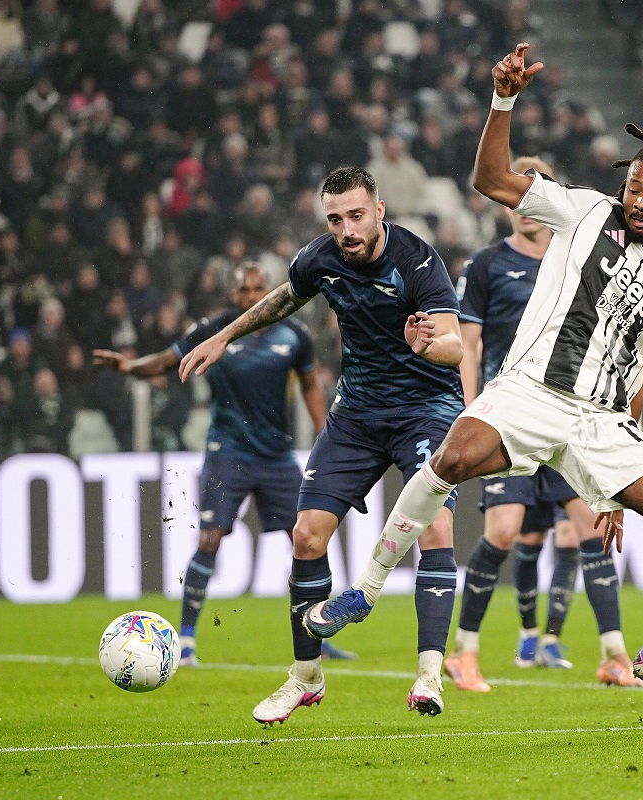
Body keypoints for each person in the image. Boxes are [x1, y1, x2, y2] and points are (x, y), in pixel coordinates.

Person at [293, 43, 643, 725]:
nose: (641, 199)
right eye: (636, 186)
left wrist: (619, 477)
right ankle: (365, 590)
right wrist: (504, 100)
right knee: (451, 460)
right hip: (529, 392)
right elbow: (491, 177)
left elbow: (637, 367)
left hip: (602, 423)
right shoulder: (584, 211)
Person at [178, 167, 465, 722]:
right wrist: (224, 335)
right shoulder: (320, 257)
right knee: (307, 536)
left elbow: (454, 345)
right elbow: (286, 298)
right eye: (335, 219)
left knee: (438, 525)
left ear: (380, 210)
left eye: (357, 216)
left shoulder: (418, 260)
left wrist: (427, 346)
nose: (347, 229)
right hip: (356, 414)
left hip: (424, 410)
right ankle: (305, 677)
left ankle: (429, 675)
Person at [442, 155, 641, 693]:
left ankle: (614, 655)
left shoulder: (585, 258)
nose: (525, 206)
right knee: (503, 531)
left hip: (574, 418)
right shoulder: (485, 265)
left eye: (537, 189)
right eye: (518, 193)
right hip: (512, 416)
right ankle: (464, 652)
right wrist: (470, 407)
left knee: (592, 530)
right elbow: (470, 343)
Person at [94, 264, 356, 666]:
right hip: (228, 453)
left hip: (276, 455)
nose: (251, 296)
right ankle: (186, 640)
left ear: (269, 290)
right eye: (243, 290)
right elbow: (167, 360)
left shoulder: (295, 333)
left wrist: (328, 437)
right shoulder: (214, 330)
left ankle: (318, 633)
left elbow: (308, 386)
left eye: (257, 288)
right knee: (210, 539)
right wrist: (130, 368)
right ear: (232, 294)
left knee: (309, 540)